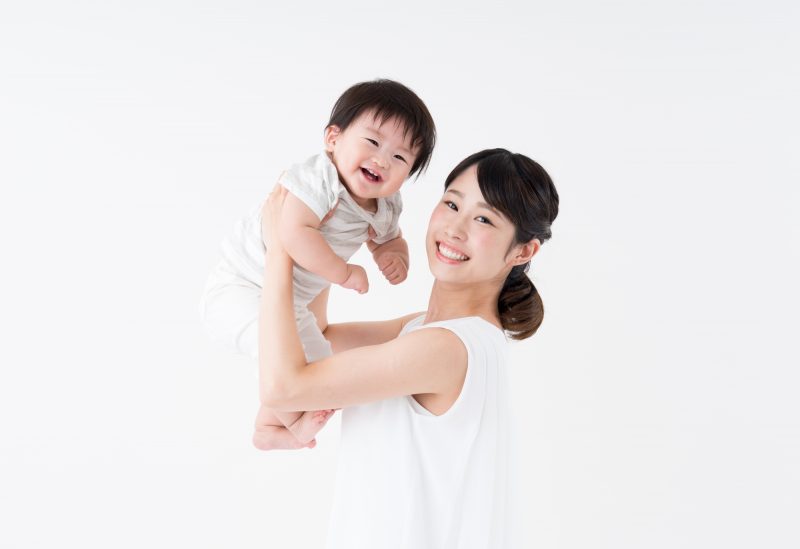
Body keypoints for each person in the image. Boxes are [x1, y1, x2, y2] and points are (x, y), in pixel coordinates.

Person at [259, 148, 559, 547]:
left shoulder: (447, 348)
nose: (455, 228)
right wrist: (323, 239)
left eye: (484, 219)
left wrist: (282, 248)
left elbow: (285, 387)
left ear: (523, 251)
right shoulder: (424, 331)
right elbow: (314, 340)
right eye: (452, 204)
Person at [199, 79, 436, 447]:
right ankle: (289, 423)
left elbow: (388, 239)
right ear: (333, 139)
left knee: (319, 365)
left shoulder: (387, 205)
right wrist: (344, 273)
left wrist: (394, 257)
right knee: (282, 359)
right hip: (242, 287)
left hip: (288, 303)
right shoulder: (318, 178)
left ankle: (270, 427)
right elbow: (293, 234)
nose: (382, 160)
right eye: (372, 142)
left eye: (400, 158)